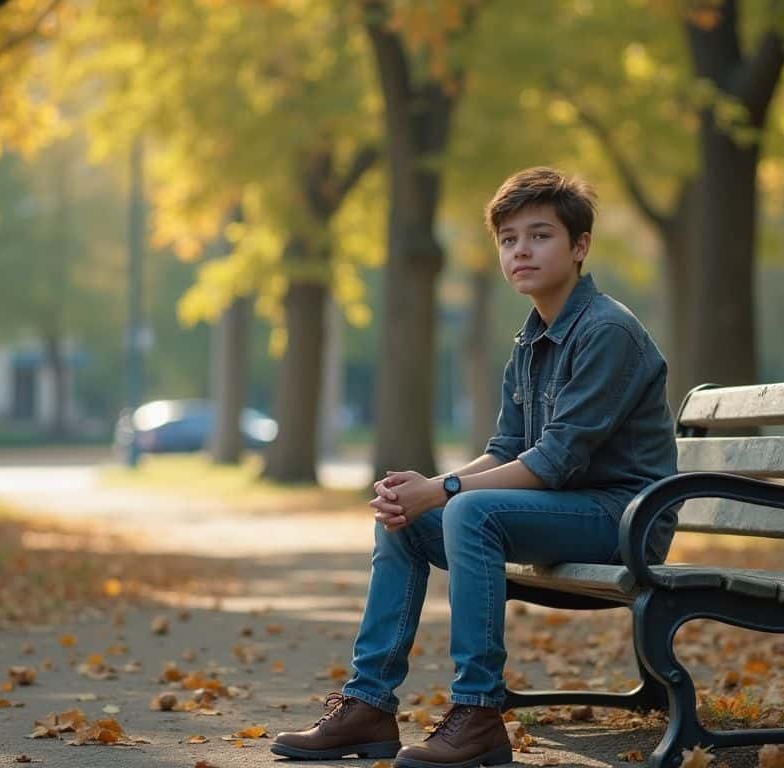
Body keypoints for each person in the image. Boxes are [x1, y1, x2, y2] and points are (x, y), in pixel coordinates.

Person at [271, 167, 678, 768]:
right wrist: (422, 493)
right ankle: (368, 704)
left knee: (469, 510)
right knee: (402, 518)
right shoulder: (532, 338)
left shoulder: (607, 331)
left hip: (625, 520)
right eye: (509, 239)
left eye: (540, 236)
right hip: (565, 511)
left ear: (580, 246)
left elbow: (554, 462)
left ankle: (479, 712)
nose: (521, 251)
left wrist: (444, 489)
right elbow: (508, 446)